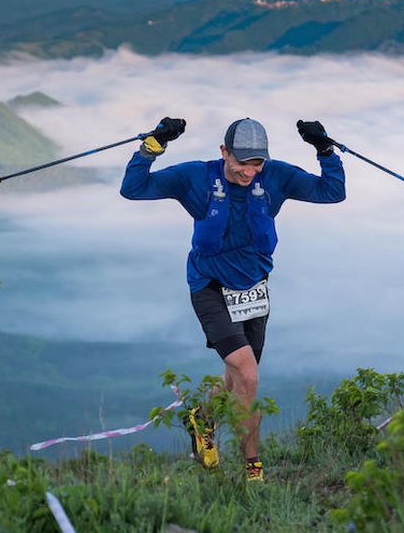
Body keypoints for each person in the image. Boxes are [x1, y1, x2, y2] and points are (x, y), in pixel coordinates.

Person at [120, 116, 345, 482]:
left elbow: (332, 192)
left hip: (254, 290)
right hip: (209, 287)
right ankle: (253, 471)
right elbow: (133, 188)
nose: (248, 172)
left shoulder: (275, 176)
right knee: (249, 376)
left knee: (236, 377)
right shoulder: (197, 177)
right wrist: (152, 145)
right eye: (241, 163)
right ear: (224, 152)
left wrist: (324, 150)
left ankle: (202, 419)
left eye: (256, 164)